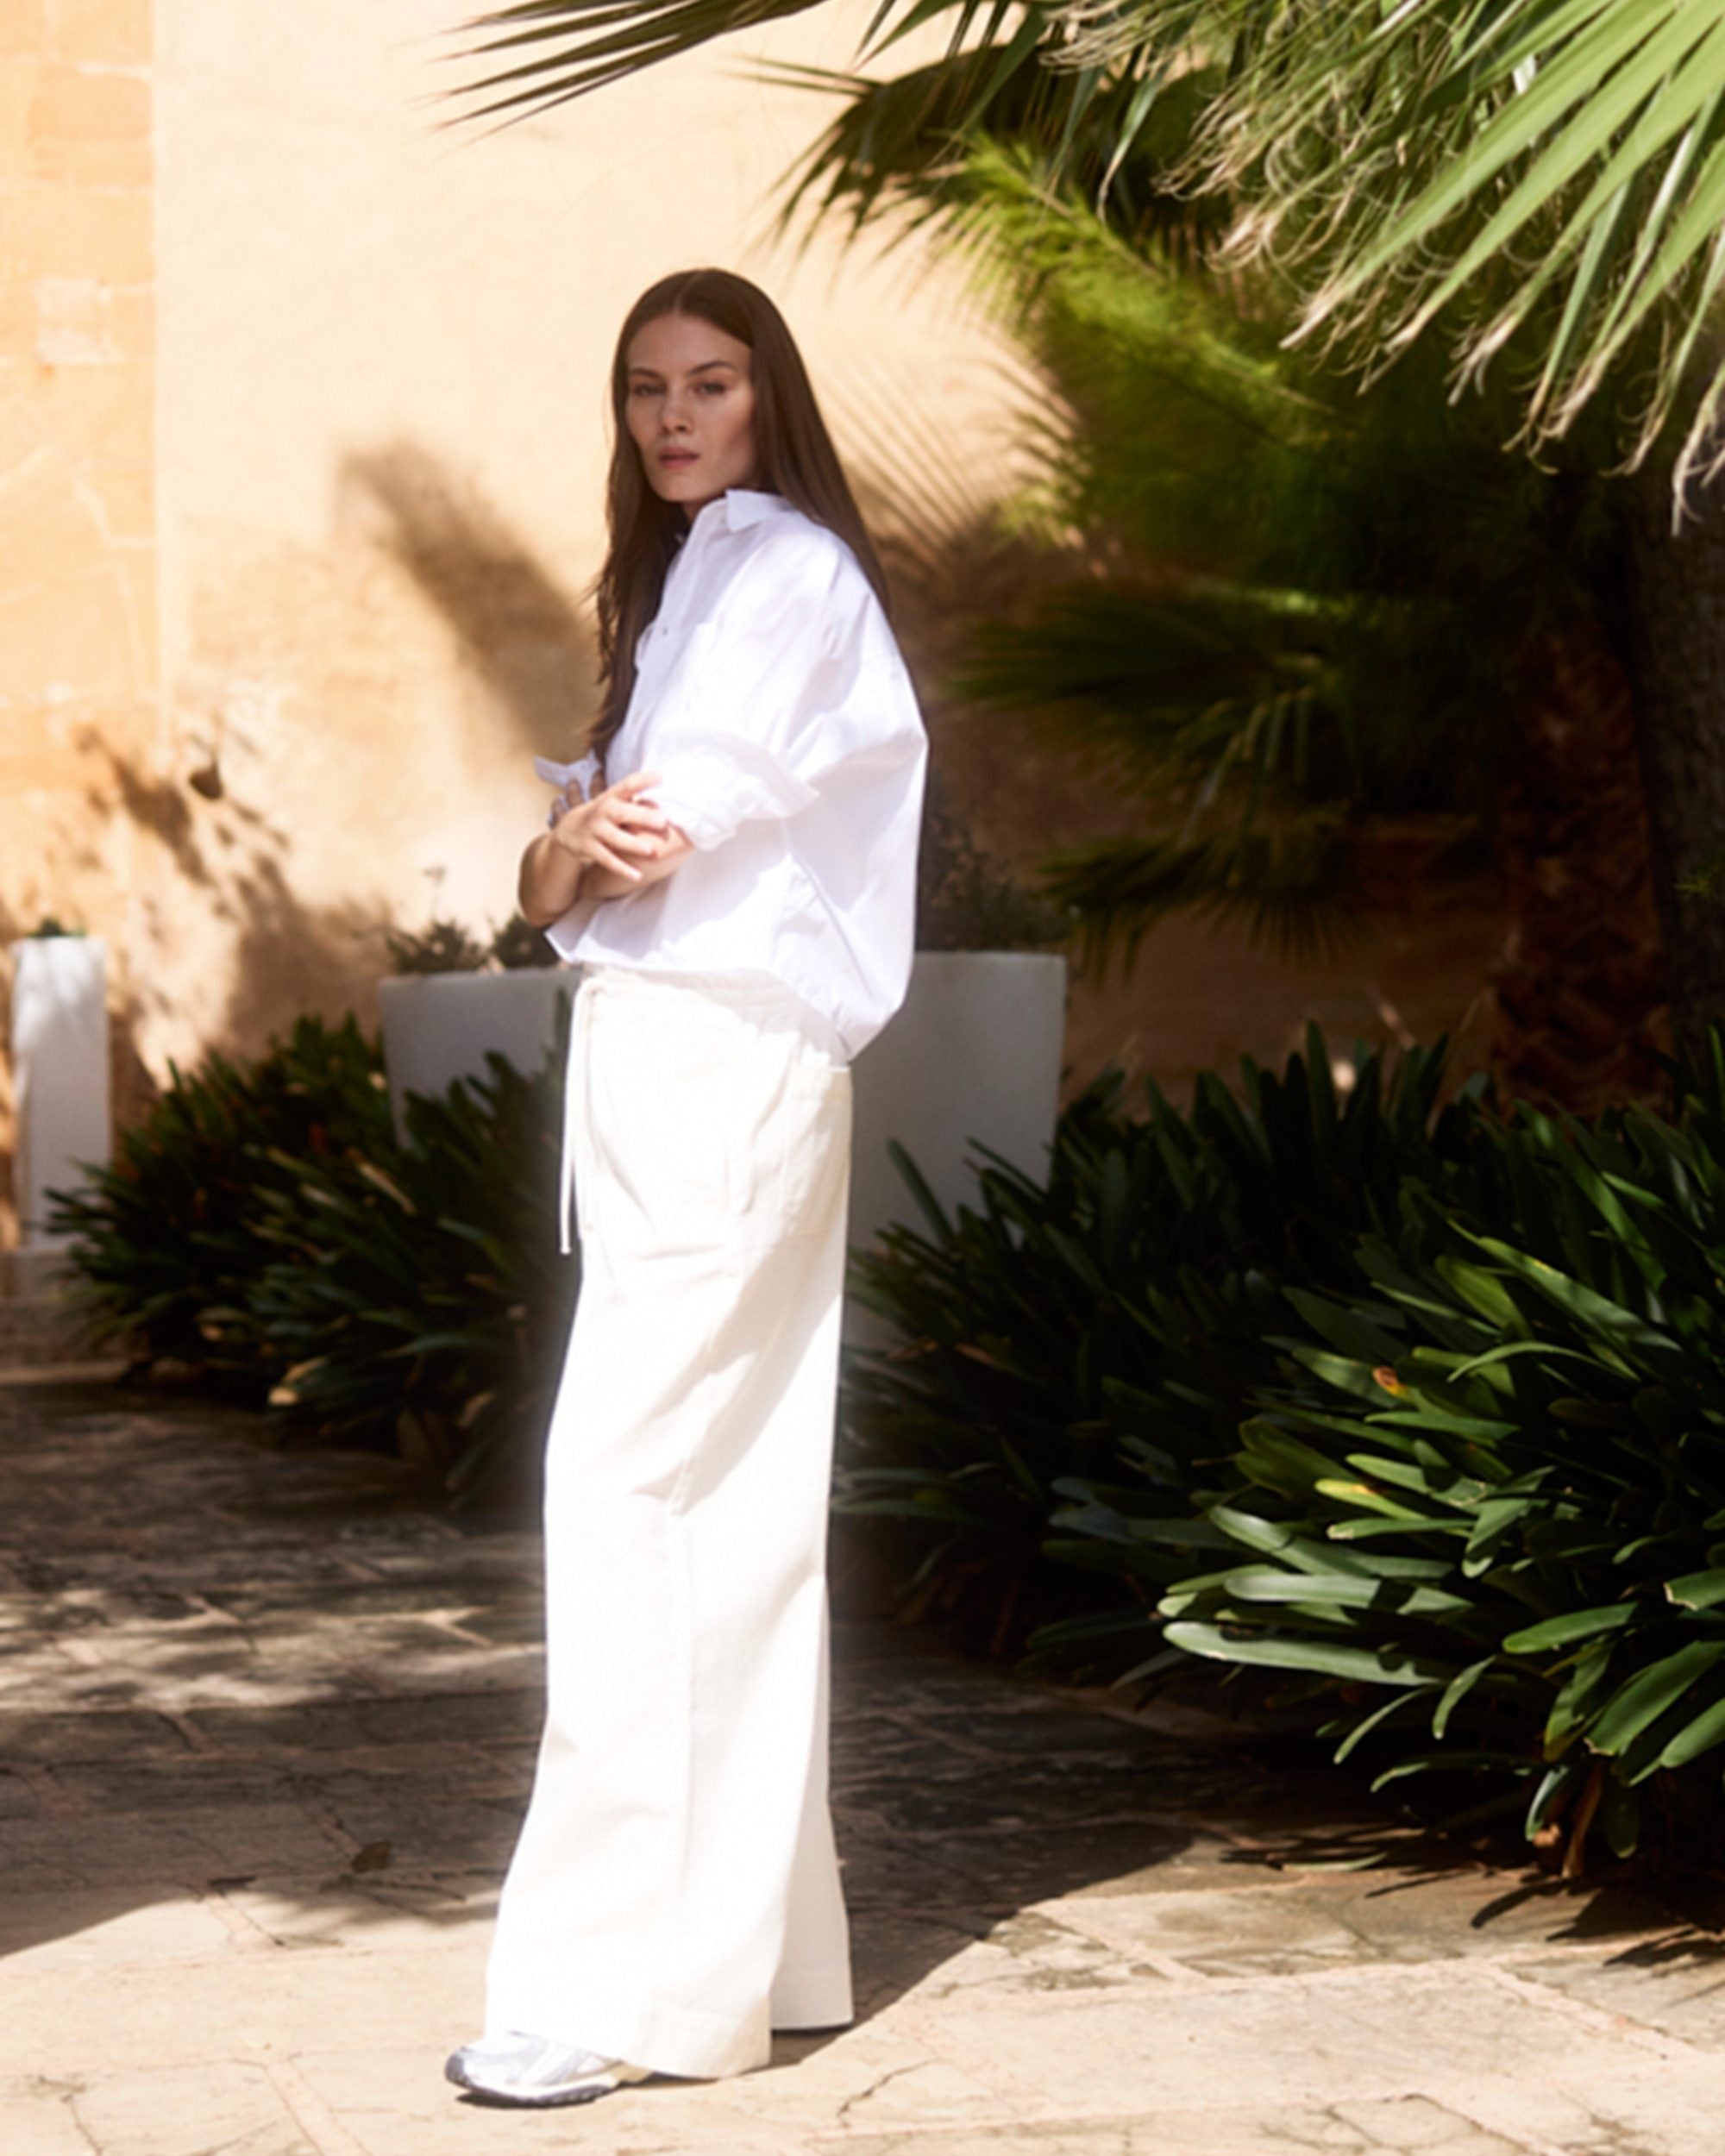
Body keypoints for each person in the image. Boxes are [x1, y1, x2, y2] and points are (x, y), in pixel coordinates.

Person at [445, 269, 927, 2110]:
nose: (672, 415)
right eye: (646, 386)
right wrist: (567, 846)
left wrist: (579, 844)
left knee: (629, 1488)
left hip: (721, 1058)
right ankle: (760, 1956)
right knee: (724, 1502)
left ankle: (611, 1988)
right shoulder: (688, 584)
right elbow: (550, 868)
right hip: (694, 1066)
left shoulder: (781, 568)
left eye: (711, 383)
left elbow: (627, 841)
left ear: (766, 396)